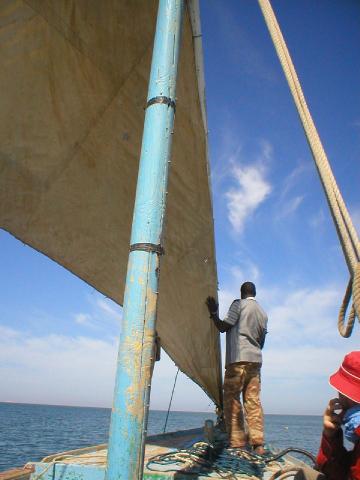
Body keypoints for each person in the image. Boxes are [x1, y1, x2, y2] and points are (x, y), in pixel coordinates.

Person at [206, 281, 268, 454]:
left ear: (242, 293)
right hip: (255, 361)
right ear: (254, 293)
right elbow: (262, 342)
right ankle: (258, 444)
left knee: (232, 400)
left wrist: (213, 313)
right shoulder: (263, 313)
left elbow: (223, 327)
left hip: (237, 360)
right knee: (253, 401)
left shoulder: (238, 304)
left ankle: (237, 442)